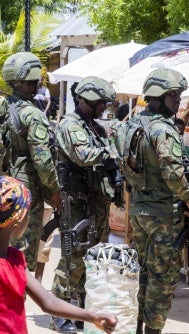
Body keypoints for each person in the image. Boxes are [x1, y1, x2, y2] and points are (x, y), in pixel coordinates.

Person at [115, 69, 189, 334]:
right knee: (163, 278)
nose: (178, 101)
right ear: (159, 96)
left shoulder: (129, 125)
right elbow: (174, 173)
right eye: (174, 95)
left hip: (139, 210)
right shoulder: (163, 130)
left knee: (141, 272)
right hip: (164, 215)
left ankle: (137, 326)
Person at [50, 76, 123, 333]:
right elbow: (83, 156)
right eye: (101, 103)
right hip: (77, 202)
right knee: (74, 257)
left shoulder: (95, 126)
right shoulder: (71, 125)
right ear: (88, 101)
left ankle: (81, 309)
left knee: (94, 256)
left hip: (96, 201)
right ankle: (58, 312)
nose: (105, 107)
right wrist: (111, 153)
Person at [0, 175, 118, 334]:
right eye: (27, 213)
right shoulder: (11, 261)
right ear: (18, 218)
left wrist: (93, 317)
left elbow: (47, 302)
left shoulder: (15, 258)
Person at [0, 52, 62, 273]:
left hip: (3, 187)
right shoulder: (32, 114)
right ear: (29, 81)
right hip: (25, 191)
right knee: (23, 249)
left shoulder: (4, 108)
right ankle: (16, 301)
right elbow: (43, 160)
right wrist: (54, 190)